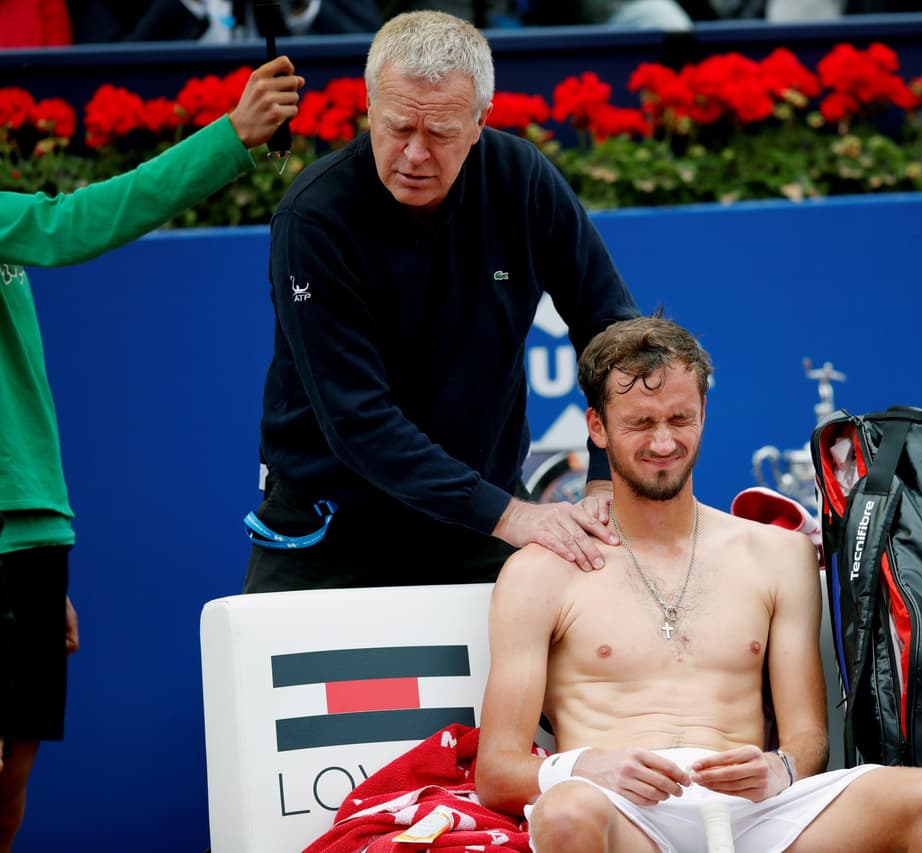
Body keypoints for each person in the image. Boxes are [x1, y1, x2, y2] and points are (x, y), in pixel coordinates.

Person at [474, 315, 922, 853]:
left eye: (680, 418)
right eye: (640, 423)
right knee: (566, 809)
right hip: (621, 812)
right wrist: (586, 767)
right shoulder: (541, 570)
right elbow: (498, 771)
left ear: (703, 414)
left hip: (760, 813)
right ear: (597, 427)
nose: (664, 441)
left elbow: (808, 741)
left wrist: (779, 770)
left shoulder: (777, 554)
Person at [0, 56, 302, 853]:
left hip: (29, 540)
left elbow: (76, 220)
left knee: (9, 782)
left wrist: (39, 570)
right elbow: (80, 222)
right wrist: (233, 136)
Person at [243, 11, 638, 593]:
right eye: (399, 127)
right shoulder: (314, 217)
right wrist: (515, 517)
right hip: (331, 531)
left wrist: (606, 480)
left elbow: (612, 330)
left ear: (480, 122)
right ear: (370, 107)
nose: (415, 155)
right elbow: (359, 421)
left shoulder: (520, 178)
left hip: (484, 524)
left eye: (442, 133)